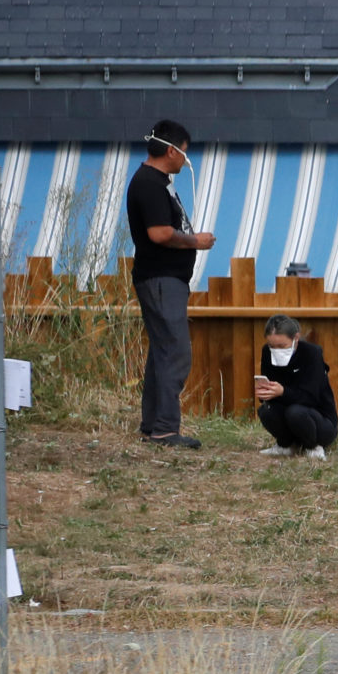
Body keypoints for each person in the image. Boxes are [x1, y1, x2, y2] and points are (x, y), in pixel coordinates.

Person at [126, 120, 213, 449]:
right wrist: (195, 241)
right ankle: (164, 429)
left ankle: (153, 426)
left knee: (162, 352)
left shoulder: (158, 182)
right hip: (161, 278)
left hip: (165, 278)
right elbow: (159, 234)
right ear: (171, 150)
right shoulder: (149, 183)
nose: (186, 160)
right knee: (175, 352)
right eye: (185, 153)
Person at [253, 314, 337, 459]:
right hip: (289, 417)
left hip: (320, 422)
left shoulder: (312, 353)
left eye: (281, 346)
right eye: (272, 346)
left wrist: (283, 392)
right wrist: (266, 393)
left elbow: (312, 398)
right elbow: (273, 398)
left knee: (296, 412)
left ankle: (313, 447)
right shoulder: (267, 352)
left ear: (296, 338)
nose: (276, 350)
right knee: (266, 410)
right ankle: (285, 445)